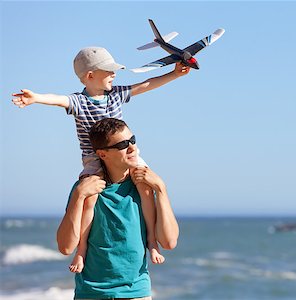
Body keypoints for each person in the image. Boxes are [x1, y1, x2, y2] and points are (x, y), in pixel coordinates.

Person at [12, 46, 189, 272]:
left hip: (125, 152)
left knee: (146, 188)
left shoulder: (116, 94)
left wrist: (174, 74)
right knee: (90, 199)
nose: (114, 75)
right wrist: (35, 98)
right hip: (94, 159)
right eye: (109, 71)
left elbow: (145, 85)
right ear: (90, 76)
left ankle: (152, 244)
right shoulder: (78, 101)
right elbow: (58, 100)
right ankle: (81, 252)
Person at [57, 118, 179, 300]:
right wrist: (78, 196)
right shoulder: (86, 188)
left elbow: (169, 243)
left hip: (137, 293)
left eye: (132, 140)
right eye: (123, 144)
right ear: (103, 154)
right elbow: (66, 247)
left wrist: (161, 188)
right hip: (91, 294)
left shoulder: (144, 185)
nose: (132, 148)